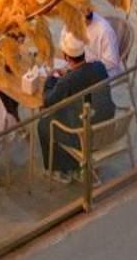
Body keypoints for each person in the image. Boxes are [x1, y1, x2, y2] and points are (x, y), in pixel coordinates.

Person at [37, 29, 114, 177]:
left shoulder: (67, 81)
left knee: (44, 125)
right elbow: (84, 78)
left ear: (66, 57)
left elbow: (47, 101)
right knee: (65, 113)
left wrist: (50, 79)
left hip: (84, 132)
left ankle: (62, 169)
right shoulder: (99, 66)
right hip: (106, 122)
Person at [82, 8, 123, 76]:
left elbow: (111, 62)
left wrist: (86, 68)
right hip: (85, 63)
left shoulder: (104, 30)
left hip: (105, 71)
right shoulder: (79, 23)